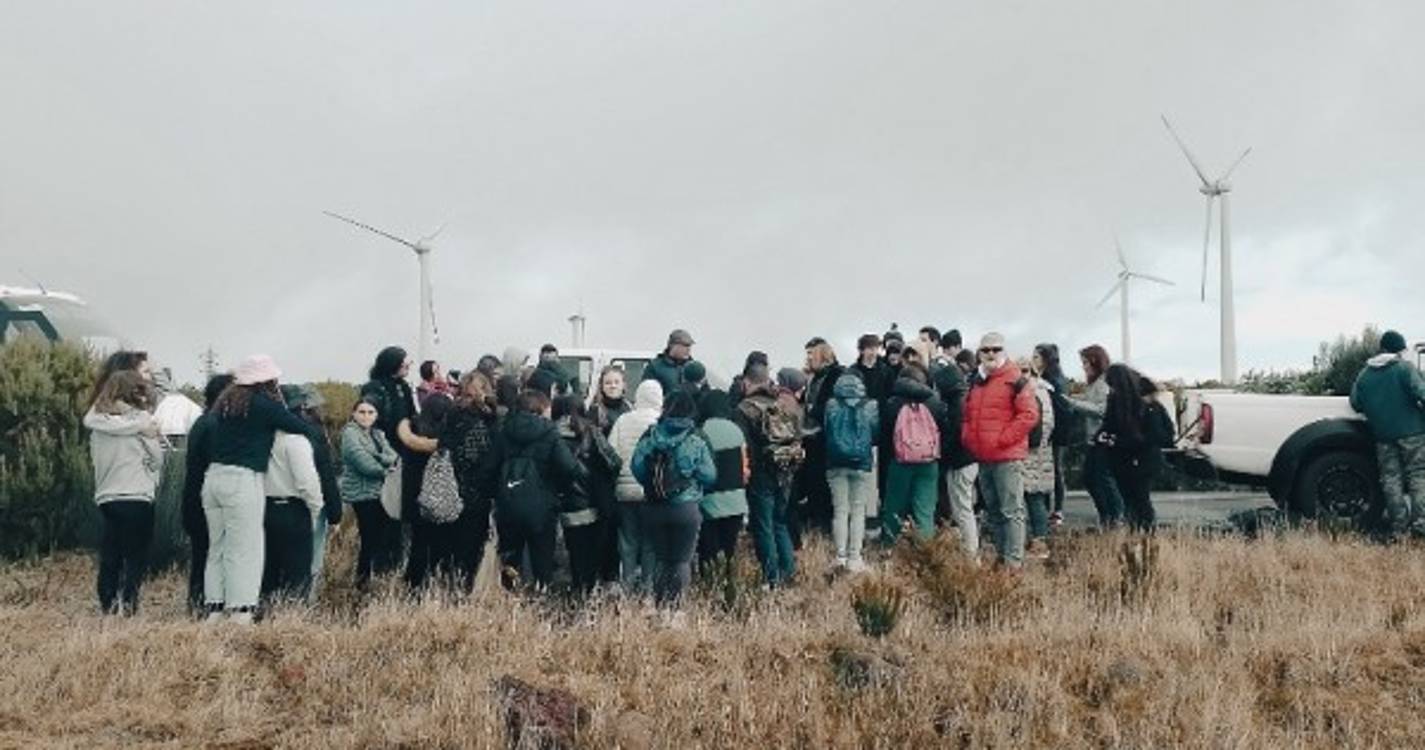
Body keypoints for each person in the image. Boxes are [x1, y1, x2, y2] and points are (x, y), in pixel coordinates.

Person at [203, 355, 318, 623]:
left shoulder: (226, 403)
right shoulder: (264, 404)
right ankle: (241, 612)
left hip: (213, 478)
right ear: (269, 380)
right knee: (246, 548)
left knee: (218, 547)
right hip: (242, 479)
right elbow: (301, 428)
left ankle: (215, 609)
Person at [485, 389, 583, 590]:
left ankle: (510, 601)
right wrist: (559, 487)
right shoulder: (549, 433)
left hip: (509, 506)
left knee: (511, 559)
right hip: (543, 506)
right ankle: (540, 603)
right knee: (542, 561)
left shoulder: (503, 431)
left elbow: (488, 468)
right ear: (540, 409)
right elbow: (570, 468)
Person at [84, 370, 163, 615]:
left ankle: (108, 603)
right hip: (137, 495)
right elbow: (157, 459)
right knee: (135, 555)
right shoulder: (143, 424)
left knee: (111, 553)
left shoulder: (97, 424)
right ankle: (128, 603)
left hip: (107, 495)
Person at [630, 391, 717, 607]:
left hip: (654, 507)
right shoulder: (694, 439)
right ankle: (677, 608)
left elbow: (637, 468)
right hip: (686, 508)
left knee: (661, 559)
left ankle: (660, 605)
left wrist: (654, 485)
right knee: (681, 561)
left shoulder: (650, 437)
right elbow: (710, 475)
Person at [962, 334, 1039, 570]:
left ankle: (1013, 563)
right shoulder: (976, 381)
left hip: (1007, 457)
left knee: (1011, 511)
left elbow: (1029, 415)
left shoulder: (1016, 379)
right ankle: (1002, 557)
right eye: (986, 350)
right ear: (979, 353)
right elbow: (967, 415)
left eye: (996, 349)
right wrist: (970, 439)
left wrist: (1003, 439)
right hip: (984, 457)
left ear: (1003, 351)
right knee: (994, 511)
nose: (991, 354)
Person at [1350, 330, 1425, 537]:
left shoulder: (1364, 374)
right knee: (1418, 476)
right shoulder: (1404, 369)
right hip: (1413, 433)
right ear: (1397, 350)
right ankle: (1421, 526)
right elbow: (1423, 394)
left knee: (1391, 480)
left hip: (1383, 435)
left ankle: (1399, 529)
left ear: (1382, 348)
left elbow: (1355, 403)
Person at [734, 364, 803, 587]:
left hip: (760, 474)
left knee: (763, 526)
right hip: (785, 473)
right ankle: (789, 572)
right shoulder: (781, 405)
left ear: (747, 383)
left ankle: (771, 578)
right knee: (780, 523)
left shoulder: (744, 409)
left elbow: (743, 447)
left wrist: (746, 473)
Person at [436, 371, 501, 593]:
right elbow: (479, 457)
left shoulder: (450, 415)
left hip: (449, 489)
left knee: (450, 546)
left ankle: (447, 588)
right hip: (475, 492)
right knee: (471, 547)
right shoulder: (483, 421)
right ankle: (464, 590)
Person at [553, 395, 622, 595]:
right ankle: (588, 593)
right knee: (591, 554)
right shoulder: (592, 432)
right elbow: (615, 462)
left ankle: (576, 591)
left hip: (566, 504)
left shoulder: (550, 433)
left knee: (575, 553)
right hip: (592, 501)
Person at [278, 384, 342, 598]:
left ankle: (283, 602)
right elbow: (325, 474)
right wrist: (334, 512)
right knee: (312, 557)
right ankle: (306, 602)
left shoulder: (272, 430)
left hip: (276, 503)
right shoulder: (312, 432)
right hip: (311, 501)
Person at [259, 402, 324, 605]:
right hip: (293, 509)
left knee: (268, 569)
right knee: (297, 571)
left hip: (265, 508)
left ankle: (265, 614)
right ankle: (292, 616)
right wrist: (315, 508)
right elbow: (307, 481)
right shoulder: (296, 441)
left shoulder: (262, 438)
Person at [1097, 365, 1174, 532]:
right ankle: (1142, 534)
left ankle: (1143, 533)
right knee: (1137, 499)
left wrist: (1112, 440)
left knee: (1137, 500)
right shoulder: (1147, 404)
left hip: (1136, 457)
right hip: (1137, 457)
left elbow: (1151, 436)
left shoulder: (1139, 406)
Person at [181, 373, 234, 614]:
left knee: (202, 555)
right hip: (207, 500)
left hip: (194, 498)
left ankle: (197, 604)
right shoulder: (216, 425)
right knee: (210, 555)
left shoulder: (202, 422)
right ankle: (205, 605)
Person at [880, 363, 946, 544]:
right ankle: (925, 552)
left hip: (900, 461)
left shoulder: (892, 403)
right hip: (929, 462)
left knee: (894, 507)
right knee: (924, 510)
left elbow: (885, 435)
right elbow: (943, 429)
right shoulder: (934, 402)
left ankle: (889, 548)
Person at [339, 398, 401, 588]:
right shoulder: (350, 434)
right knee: (369, 538)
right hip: (362, 493)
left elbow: (393, 456)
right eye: (362, 412)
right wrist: (384, 470)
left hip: (379, 493)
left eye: (371, 412)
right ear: (354, 414)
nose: (366, 416)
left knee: (380, 538)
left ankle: (375, 577)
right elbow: (362, 462)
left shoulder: (377, 434)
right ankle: (362, 580)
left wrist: (378, 456)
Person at [608, 379, 664, 591]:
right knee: (650, 544)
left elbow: (611, 453)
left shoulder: (623, 421)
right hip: (652, 492)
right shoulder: (660, 422)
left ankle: (628, 585)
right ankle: (648, 588)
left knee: (628, 541)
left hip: (625, 492)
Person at [397, 392, 453, 590]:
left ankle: (413, 586)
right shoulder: (448, 434)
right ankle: (438, 585)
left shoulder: (409, 430)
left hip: (414, 498)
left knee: (418, 545)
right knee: (441, 545)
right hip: (441, 497)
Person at [824, 372, 878, 571]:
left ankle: (840, 556)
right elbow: (875, 434)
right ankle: (855, 557)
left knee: (840, 509)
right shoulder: (871, 405)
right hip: (861, 463)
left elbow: (827, 430)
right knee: (858, 510)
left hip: (836, 462)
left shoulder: (831, 405)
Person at [1067, 345, 1123, 527]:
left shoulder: (1103, 383)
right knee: (1091, 478)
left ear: (1094, 362)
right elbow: (1090, 402)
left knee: (1102, 478)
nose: (1083, 366)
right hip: (1094, 438)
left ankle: (1115, 516)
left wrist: (1072, 403)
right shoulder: (1094, 383)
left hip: (1103, 439)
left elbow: (1101, 410)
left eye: (1085, 362)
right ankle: (1107, 516)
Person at [694, 389, 749, 578]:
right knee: (729, 551)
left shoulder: (701, 431)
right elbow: (744, 468)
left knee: (708, 553)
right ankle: (729, 587)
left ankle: (709, 587)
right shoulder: (736, 429)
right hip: (736, 501)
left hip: (710, 502)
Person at [934, 332, 978, 558]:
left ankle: (971, 556)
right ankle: (969, 552)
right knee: (963, 507)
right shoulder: (965, 397)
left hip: (961, 461)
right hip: (968, 459)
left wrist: (942, 453)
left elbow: (956, 434)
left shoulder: (955, 404)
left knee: (962, 509)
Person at [800, 338, 844, 533]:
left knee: (823, 483)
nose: (808, 358)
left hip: (826, 436)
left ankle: (824, 523)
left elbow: (832, 405)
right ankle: (817, 520)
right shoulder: (813, 377)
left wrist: (810, 408)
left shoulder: (836, 375)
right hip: (811, 435)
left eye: (811, 354)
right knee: (813, 481)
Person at [1017, 357, 1058, 560]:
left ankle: (1037, 541)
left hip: (1030, 453)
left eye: (1025, 371)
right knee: (1036, 498)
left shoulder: (1030, 392)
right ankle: (1039, 540)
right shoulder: (1045, 391)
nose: (1021, 375)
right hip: (1043, 452)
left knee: (1031, 499)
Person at [1033, 343, 1072, 528]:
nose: (1034, 361)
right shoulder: (1043, 379)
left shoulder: (1053, 381)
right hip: (1049, 432)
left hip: (1056, 432)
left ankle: (1057, 509)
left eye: (1037, 357)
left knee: (1055, 469)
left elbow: (1062, 408)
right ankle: (1049, 507)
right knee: (1048, 469)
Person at [642, 329, 697, 399]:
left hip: (691, 409)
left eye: (689, 346)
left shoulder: (694, 368)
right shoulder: (655, 367)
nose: (688, 349)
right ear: (672, 345)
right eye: (684, 345)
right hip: (665, 408)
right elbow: (647, 394)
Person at [849, 334, 893, 404]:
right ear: (861, 351)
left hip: (880, 411)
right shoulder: (853, 370)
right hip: (860, 410)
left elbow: (889, 394)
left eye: (875, 348)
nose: (873, 351)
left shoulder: (886, 371)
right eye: (869, 348)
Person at [590, 365, 631, 436]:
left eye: (617, 382)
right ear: (601, 386)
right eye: (608, 383)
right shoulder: (596, 410)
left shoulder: (630, 408)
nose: (613, 386)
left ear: (623, 385)